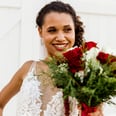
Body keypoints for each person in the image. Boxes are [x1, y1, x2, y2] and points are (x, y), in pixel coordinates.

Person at [0, 1, 103, 116]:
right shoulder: (28, 68)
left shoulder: (86, 75)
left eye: (67, 29)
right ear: (40, 31)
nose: (60, 37)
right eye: (52, 30)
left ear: (74, 30)